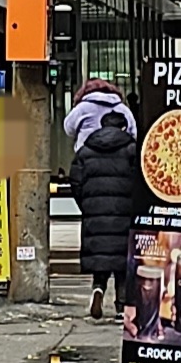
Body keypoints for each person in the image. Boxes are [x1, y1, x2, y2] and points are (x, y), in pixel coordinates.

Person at [66, 79, 143, 319]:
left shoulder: (86, 149)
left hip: (94, 205)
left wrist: (85, 202)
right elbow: (140, 177)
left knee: (99, 253)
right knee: (122, 259)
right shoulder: (130, 144)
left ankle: (98, 287)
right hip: (124, 209)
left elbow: (75, 179)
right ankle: (121, 306)